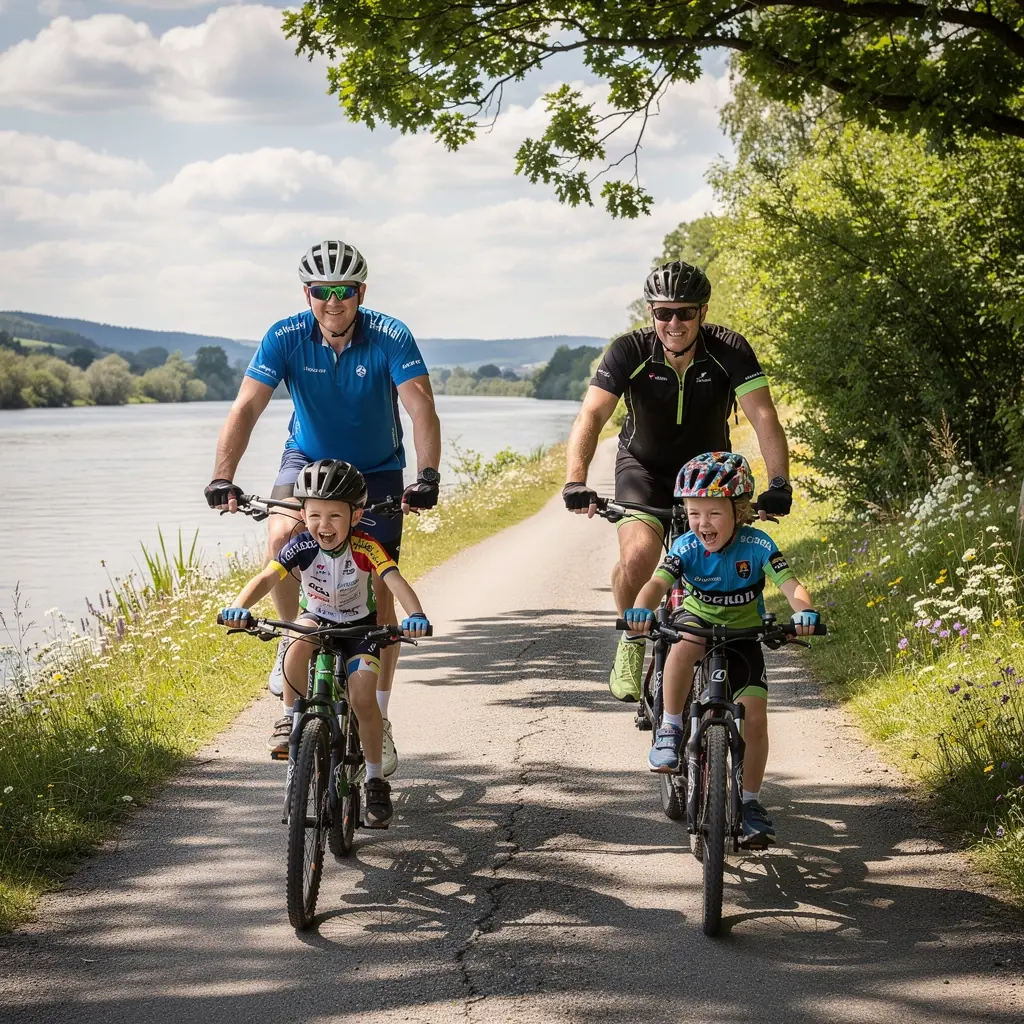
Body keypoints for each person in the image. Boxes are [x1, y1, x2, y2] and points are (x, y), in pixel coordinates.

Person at [205, 240, 442, 778]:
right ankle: (295, 643)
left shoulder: (390, 335)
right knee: (280, 536)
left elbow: (420, 407)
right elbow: (246, 407)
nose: (332, 302)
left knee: (379, 594)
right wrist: (223, 476)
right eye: (321, 291)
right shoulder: (285, 336)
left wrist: (426, 475)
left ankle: (377, 715)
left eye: (344, 291)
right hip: (307, 462)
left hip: (378, 469)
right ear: (306, 293)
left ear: (361, 292)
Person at [562, 259, 792, 703]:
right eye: (663, 312)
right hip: (643, 469)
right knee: (638, 558)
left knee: (719, 562)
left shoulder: (730, 350)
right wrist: (576, 481)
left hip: (710, 474)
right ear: (650, 313)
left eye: (685, 312)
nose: (674, 322)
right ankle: (632, 638)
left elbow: (763, 415)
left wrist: (778, 483)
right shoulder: (628, 351)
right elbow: (591, 414)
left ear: (702, 312)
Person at [219, 459, 431, 828]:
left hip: (359, 630)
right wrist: (239, 608)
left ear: (356, 515)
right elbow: (266, 578)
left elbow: (395, 580)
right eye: (315, 515)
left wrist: (416, 615)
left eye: (335, 516)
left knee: (364, 699)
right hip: (316, 620)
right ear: (303, 513)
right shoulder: (300, 545)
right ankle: (289, 720)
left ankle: (375, 781)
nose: (324, 525)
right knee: (297, 639)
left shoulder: (367, 547)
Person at [623, 452, 819, 847]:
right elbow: (658, 584)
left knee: (757, 717)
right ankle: (670, 728)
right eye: (694, 513)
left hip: (745, 632)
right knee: (684, 643)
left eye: (713, 513)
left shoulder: (758, 544)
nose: (702, 523)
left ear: (740, 510)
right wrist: (642, 608)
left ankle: (749, 804)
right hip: (698, 620)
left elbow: (790, 585)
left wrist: (805, 612)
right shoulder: (685, 546)